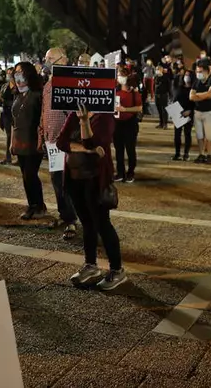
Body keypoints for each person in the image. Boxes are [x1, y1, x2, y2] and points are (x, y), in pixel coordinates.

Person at [57, 105, 127, 290]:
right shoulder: (73, 113)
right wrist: (86, 150)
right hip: (74, 178)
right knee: (87, 223)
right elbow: (61, 143)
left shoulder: (105, 117)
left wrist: (85, 122)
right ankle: (91, 265)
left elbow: (96, 143)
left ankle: (117, 269)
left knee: (102, 224)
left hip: (95, 179)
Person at [39, 47, 79, 239]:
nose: (47, 62)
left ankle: (72, 220)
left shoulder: (71, 83)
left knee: (68, 182)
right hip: (51, 141)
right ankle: (65, 215)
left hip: (66, 142)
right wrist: (42, 134)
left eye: (50, 58)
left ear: (63, 61)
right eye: (46, 58)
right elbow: (44, 112)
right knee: (56, 181)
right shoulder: (48, 85)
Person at [11, 62, 47, 220]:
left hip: (33, 141)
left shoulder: (38, 94)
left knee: (30, 175)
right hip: (20, 140)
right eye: (16, 72)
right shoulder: (18, 94)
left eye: (21, 71)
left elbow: (42, 119)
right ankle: (32, 204)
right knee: (25, 175)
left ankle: (38, 205)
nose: (18, 75)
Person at [113, 66, 143, 183]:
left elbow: (139, 107)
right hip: (117, 123)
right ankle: (120, 172)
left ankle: (131, 172)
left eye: (122, 75)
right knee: (118, 149)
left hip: (130, 123)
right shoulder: (115, 90)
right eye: (118, 75)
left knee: (130, 149)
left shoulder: (133, 91)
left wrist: (125, 109)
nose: (120, 77)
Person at [190, 60, 211, 164]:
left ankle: (209, 155)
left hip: (209, 112)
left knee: (209, 135)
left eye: (201, 71)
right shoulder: (196, 82)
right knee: (199, 135)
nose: (199, 73)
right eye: (197, 71)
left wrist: (198, 96)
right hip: (198, 111)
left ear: (207, 71)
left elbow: (210, 94)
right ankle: (201, 154)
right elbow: (191, 96)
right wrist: (204, 95)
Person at [173, 70, 195, 161]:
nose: (186, 77)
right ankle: (177, 153)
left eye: (188, 75)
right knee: (177, 134)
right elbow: (175, 99)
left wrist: (190, 111)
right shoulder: (180, 87)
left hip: (189, 113)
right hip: (178, 112)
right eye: (185, 75)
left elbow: (195, 102)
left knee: (187, 133)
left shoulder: (194, 89)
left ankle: (186, 154)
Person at [0, 67, 16, 165]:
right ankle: (8, 157)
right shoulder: (5, 85)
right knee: (8, 135)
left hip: (14, 113)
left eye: (11, 73)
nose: (9, 75)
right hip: (5, 112)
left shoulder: (18, 86)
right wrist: (0, 97)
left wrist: (3, 99)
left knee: (12, 136)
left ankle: (12, 156)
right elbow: (1, 97)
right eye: (7, 73)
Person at [154, 64, 171, 128]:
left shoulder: (165, 77)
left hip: (163, 95)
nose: (157, 70)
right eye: (156, 69)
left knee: (164, 110)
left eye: (158, 69)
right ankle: (161, 123)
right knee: (159, 110)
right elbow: (154, 86)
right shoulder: (156, 77)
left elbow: (169, 86)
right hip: (157, 94)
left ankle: (165, 124)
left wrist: (169, 94)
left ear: (162, 70)